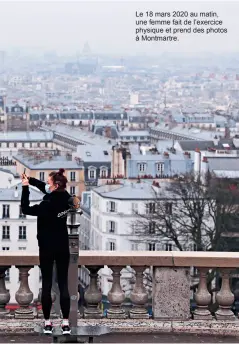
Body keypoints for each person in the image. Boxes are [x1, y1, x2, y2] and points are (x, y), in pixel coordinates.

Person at [21, 168, 81, 335]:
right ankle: (65, 324)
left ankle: (47, 323)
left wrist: (25, 187)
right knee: (63, 285)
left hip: (46, 247)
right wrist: (31, 180)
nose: (47, 185)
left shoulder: (45, 205)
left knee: (46, 284)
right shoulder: (67, 199)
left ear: (55, 185)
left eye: (49, 183)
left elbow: (25, 209)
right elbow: (47, 189)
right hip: (62, 245)